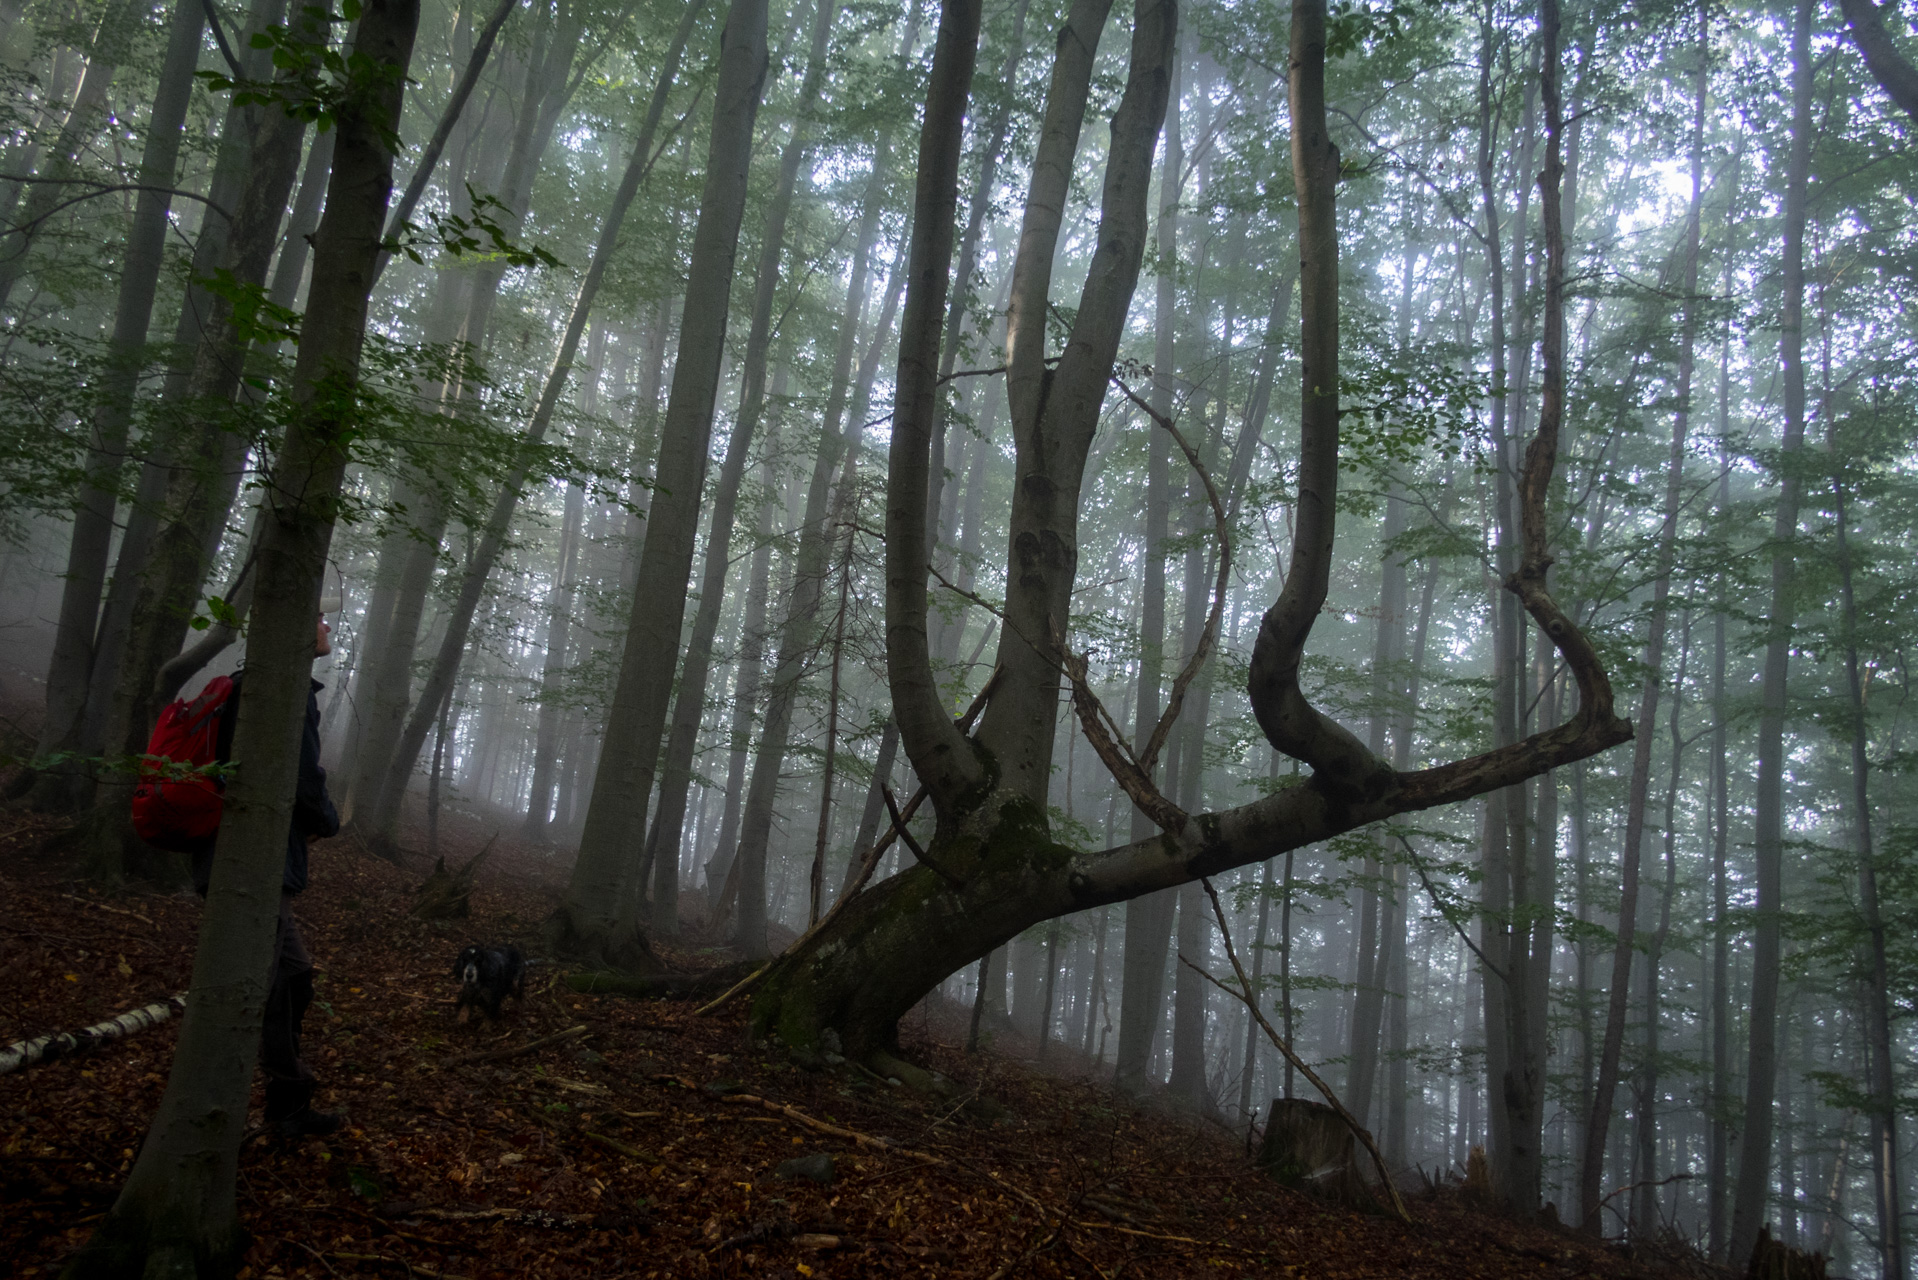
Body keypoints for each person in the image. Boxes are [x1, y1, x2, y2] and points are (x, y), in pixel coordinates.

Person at [190, 612, 343, 1139]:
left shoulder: (251, 685)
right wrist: (328, 819)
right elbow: (303, 776)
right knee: (257, 981)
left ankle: (288, 1101)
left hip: (250, 859)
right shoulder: (280, 690)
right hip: (252, 864)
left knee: (293, 976)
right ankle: (213, 1119)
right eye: (319, 619)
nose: (326, 628)